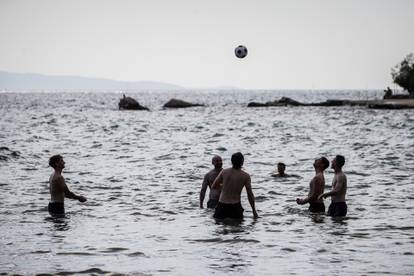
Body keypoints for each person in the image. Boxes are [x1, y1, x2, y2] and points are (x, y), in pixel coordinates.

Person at [212, 152, 258, 219]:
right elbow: (250, 194)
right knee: (237, 228)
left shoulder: (224, 172)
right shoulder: (246, 176)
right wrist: (254, 210)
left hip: (222, 205)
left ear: (231, 161)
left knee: (220, 227)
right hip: (235, 206)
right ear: (242, 162)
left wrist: (224, 187)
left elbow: (214, 186)